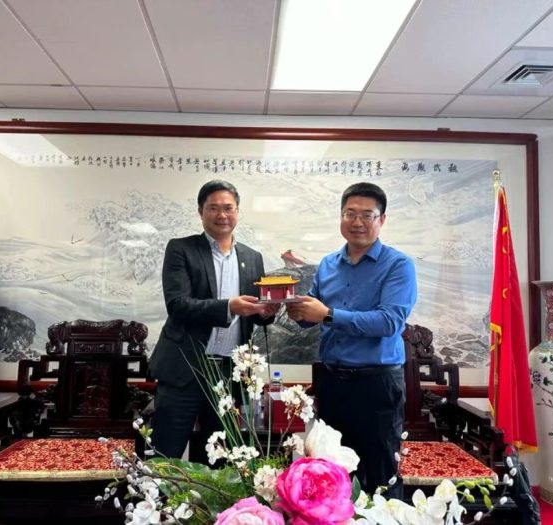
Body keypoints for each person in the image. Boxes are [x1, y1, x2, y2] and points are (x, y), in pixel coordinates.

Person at [286, 182, 417, 496]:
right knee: (332, 475)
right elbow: (314, 314)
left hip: (376, 384)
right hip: (332, 383)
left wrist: (328, 314)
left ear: (381, 219)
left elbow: (389, 322)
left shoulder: (398, 265)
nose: (357, 222)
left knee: (380, 475)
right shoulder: (328, 264)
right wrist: (296, 311)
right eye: (350, 213)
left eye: (367, 215)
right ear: (341, 217)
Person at [149, 180, 277, 461]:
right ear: (201, 212)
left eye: (228, 208)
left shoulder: (252, 258)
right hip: (184, 371)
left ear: (238, 211)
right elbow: (178, 305)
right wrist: (229, 307)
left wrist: (266, 313)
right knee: (164, 456)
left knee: (220, 461)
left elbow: (257, 314)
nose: (222, 215)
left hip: (228, 375)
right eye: (213, 208)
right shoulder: (181, 249)